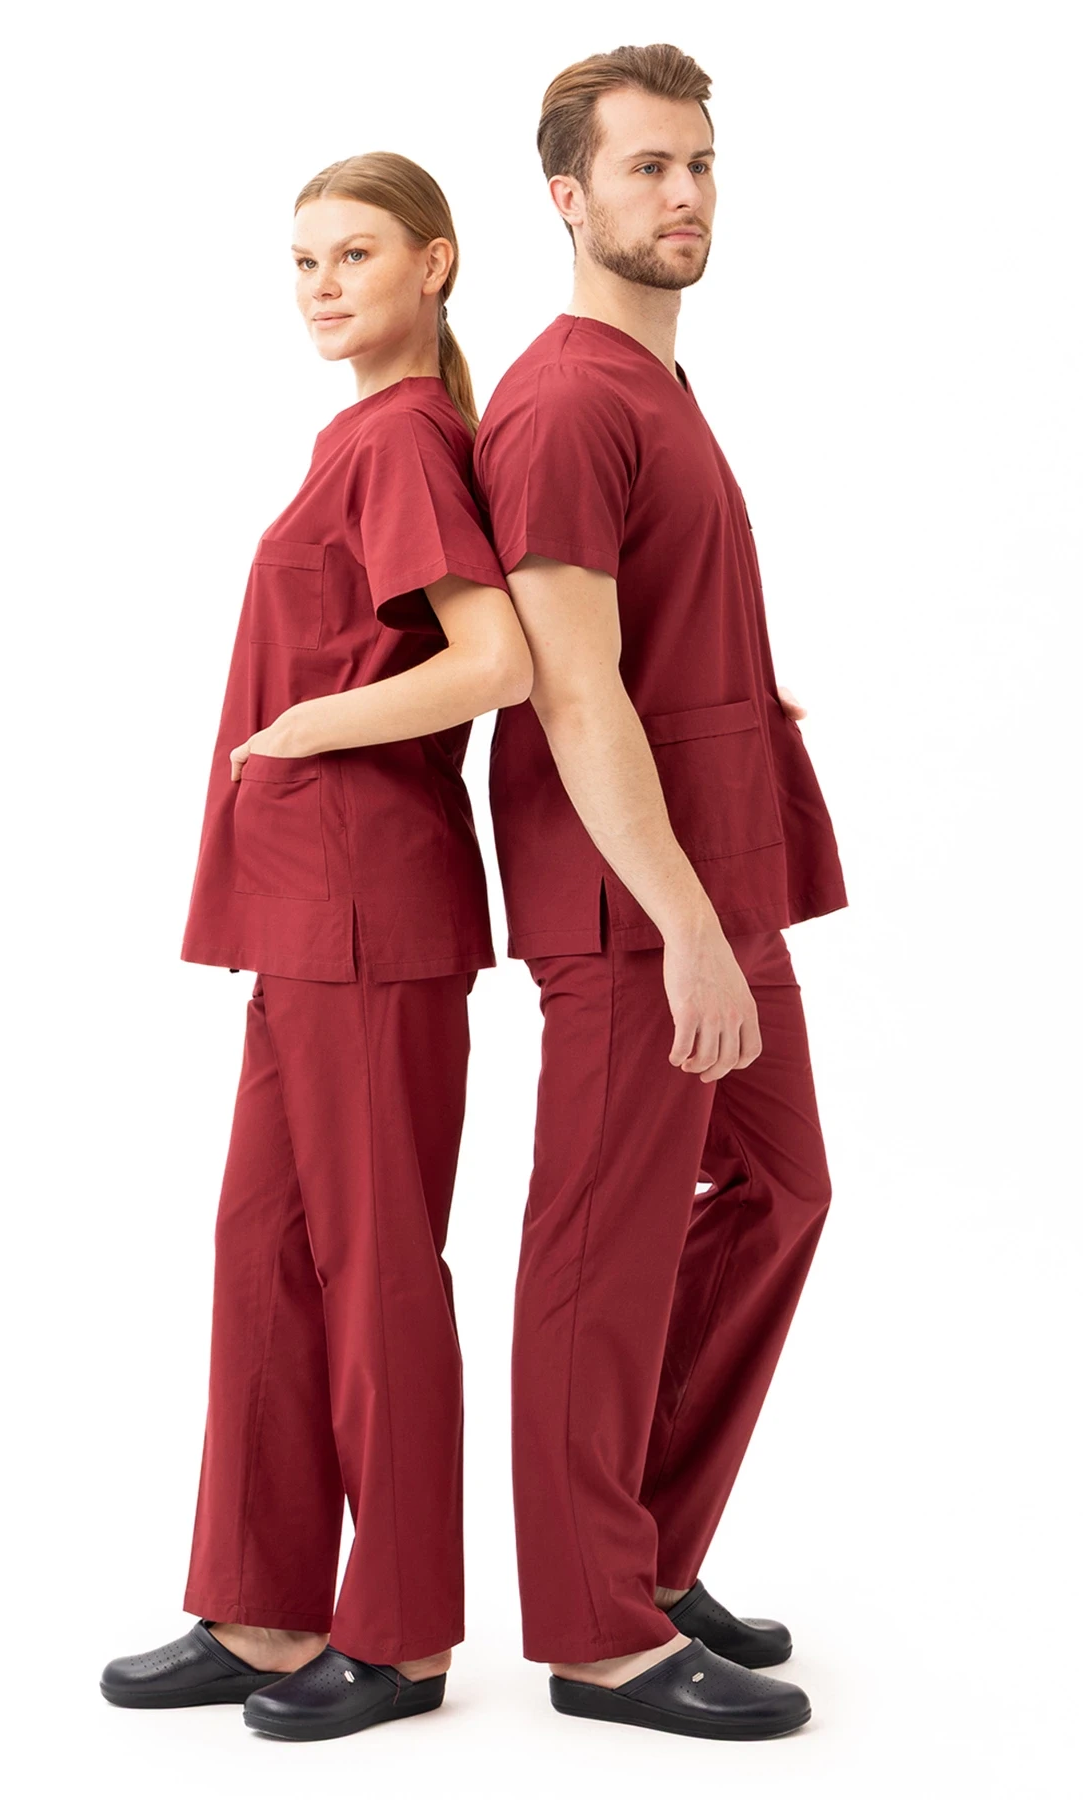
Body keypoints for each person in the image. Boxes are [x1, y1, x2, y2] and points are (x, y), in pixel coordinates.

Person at [100, 152, 531, 1742]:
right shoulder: (358, 433)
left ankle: (400, 1636)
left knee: (372, 1272)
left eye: (354, 254)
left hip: (368, 907)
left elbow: (493, 658)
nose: (323, 285)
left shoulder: (408, 434)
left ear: (437, 264)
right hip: (307, 912)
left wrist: (306, 726)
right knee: (264, 1256)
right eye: (302, 261)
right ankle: (266, 1612)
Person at [472, 44, 849, 1740]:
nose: (684, 193)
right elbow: (570, 688)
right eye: (646, 167)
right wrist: (688, 924)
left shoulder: (656, 384)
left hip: (717, 875)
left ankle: (643, 1552)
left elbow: (651, 638)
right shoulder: (565, 400)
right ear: (569, 197)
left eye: (698, 164)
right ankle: (595, 1633)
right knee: (598, 1245)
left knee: (782, 1188)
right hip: (641, 902)